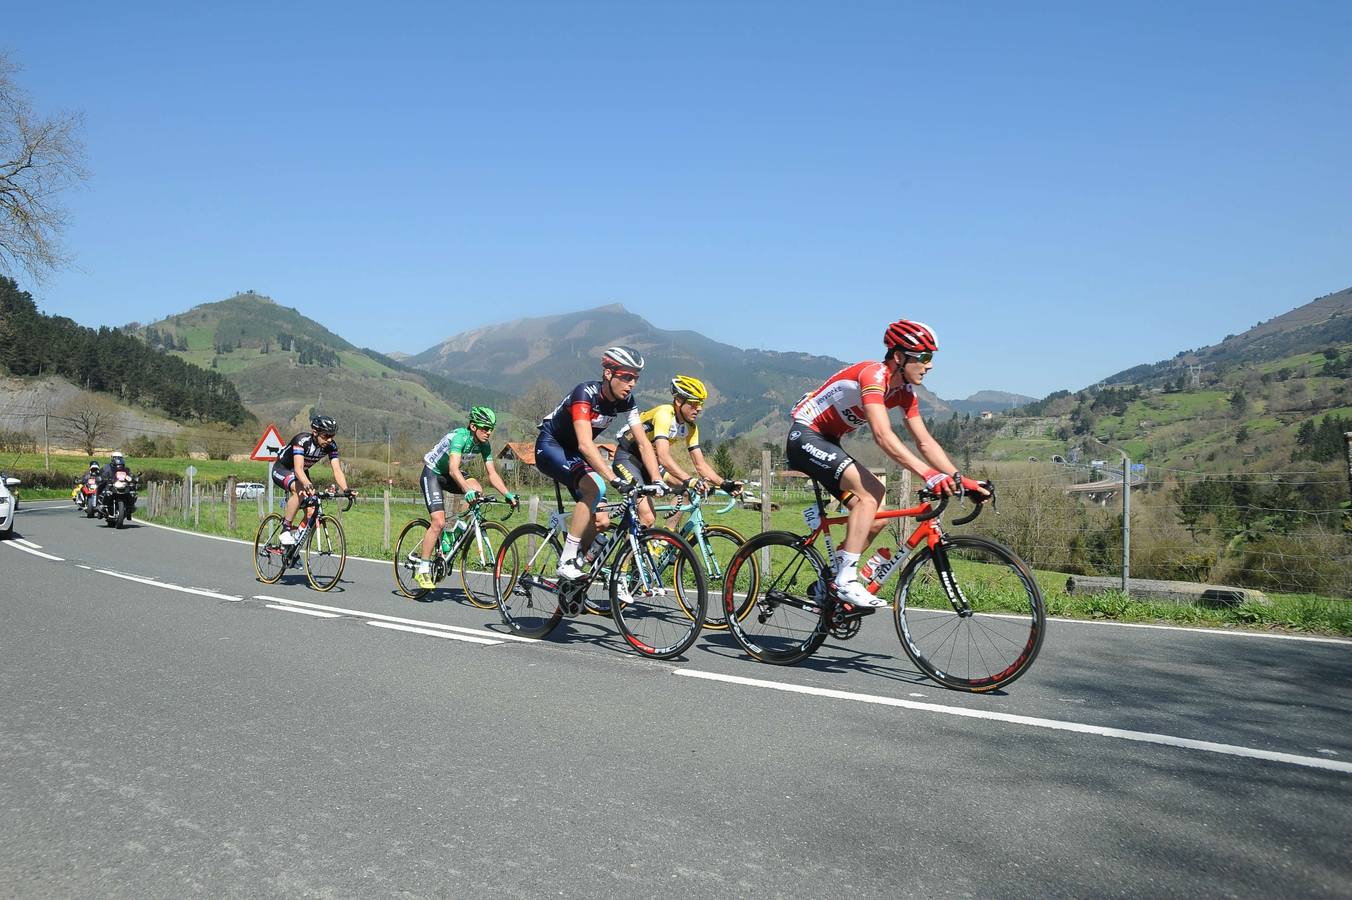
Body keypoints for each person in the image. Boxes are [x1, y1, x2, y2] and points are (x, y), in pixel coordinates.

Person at [786, 319, 988, 608]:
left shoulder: (905, 392)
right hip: (805, 436)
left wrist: (960, 479)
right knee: (869, 495)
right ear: (898, 357)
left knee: (876, 512)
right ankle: (846, 579)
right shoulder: (874, 375)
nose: (929, 365)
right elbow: (882, 434)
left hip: (829, 441)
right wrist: (929, 475)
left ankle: (828, 582)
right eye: (924, 357)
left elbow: (925, 443)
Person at [534, 346, 664, 581]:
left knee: (602, 520)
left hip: (574, 454)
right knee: (595, 487)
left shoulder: (627, 401)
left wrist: (657, 480)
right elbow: (585, 444)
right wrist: (613, 479)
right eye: (626, 377)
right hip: (551, 447)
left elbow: (644, 444)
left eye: (636, 378)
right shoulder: (585, 393)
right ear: (608, 374)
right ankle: (566, 560)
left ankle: (577, 569)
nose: (632, 383)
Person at [612, 374, 742, 527]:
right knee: (647, 518)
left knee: (686, 490)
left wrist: (724, 484)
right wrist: (690, 479)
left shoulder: (691, 427)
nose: (699, 408)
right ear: (679, 401)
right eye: (694, 403)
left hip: (650, 464)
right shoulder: (664, 414)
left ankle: (665, 541)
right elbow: (663, 457)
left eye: (701, 403)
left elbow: (700, 465)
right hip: (628, 458)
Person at [412, 406, 518, 589]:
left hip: (452, 474)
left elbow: (492, 474)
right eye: (485, 428)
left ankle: (454, 532)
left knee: (478, 489)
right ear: (473, 426)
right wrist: (465, 489)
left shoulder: (484, 445)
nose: (488, 432)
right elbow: (453, 469)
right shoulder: (460, 437)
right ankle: (422, 569)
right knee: (438, 522)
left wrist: (507, 494)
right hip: (434, 474)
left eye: (491, 428)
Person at [270, 414, 356, 545]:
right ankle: (285, 529)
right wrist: (307, 484)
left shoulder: (331, 446)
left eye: (332, 436)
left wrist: (346, 489)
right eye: (326, 436)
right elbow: (298, 469)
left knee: (311, 511)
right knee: (300, 490)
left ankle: (293, 547)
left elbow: (337, 470)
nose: (329, 439)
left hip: (301, 473)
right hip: (283, 469)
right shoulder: (302, 440)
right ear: (315, 432)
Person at [96, 452, 132, 517]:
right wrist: (102, 477)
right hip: (110, 484)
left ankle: (130, 507)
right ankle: (99, 505)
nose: (118, 460)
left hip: (121, 484)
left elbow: (130, 475)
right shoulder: (107, 467)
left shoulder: (125, 469)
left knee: (131, 491)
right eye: (115, 458)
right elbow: (102, 473)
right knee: (100, 487)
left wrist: (133, 478)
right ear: (112, 458)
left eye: (120, 458)